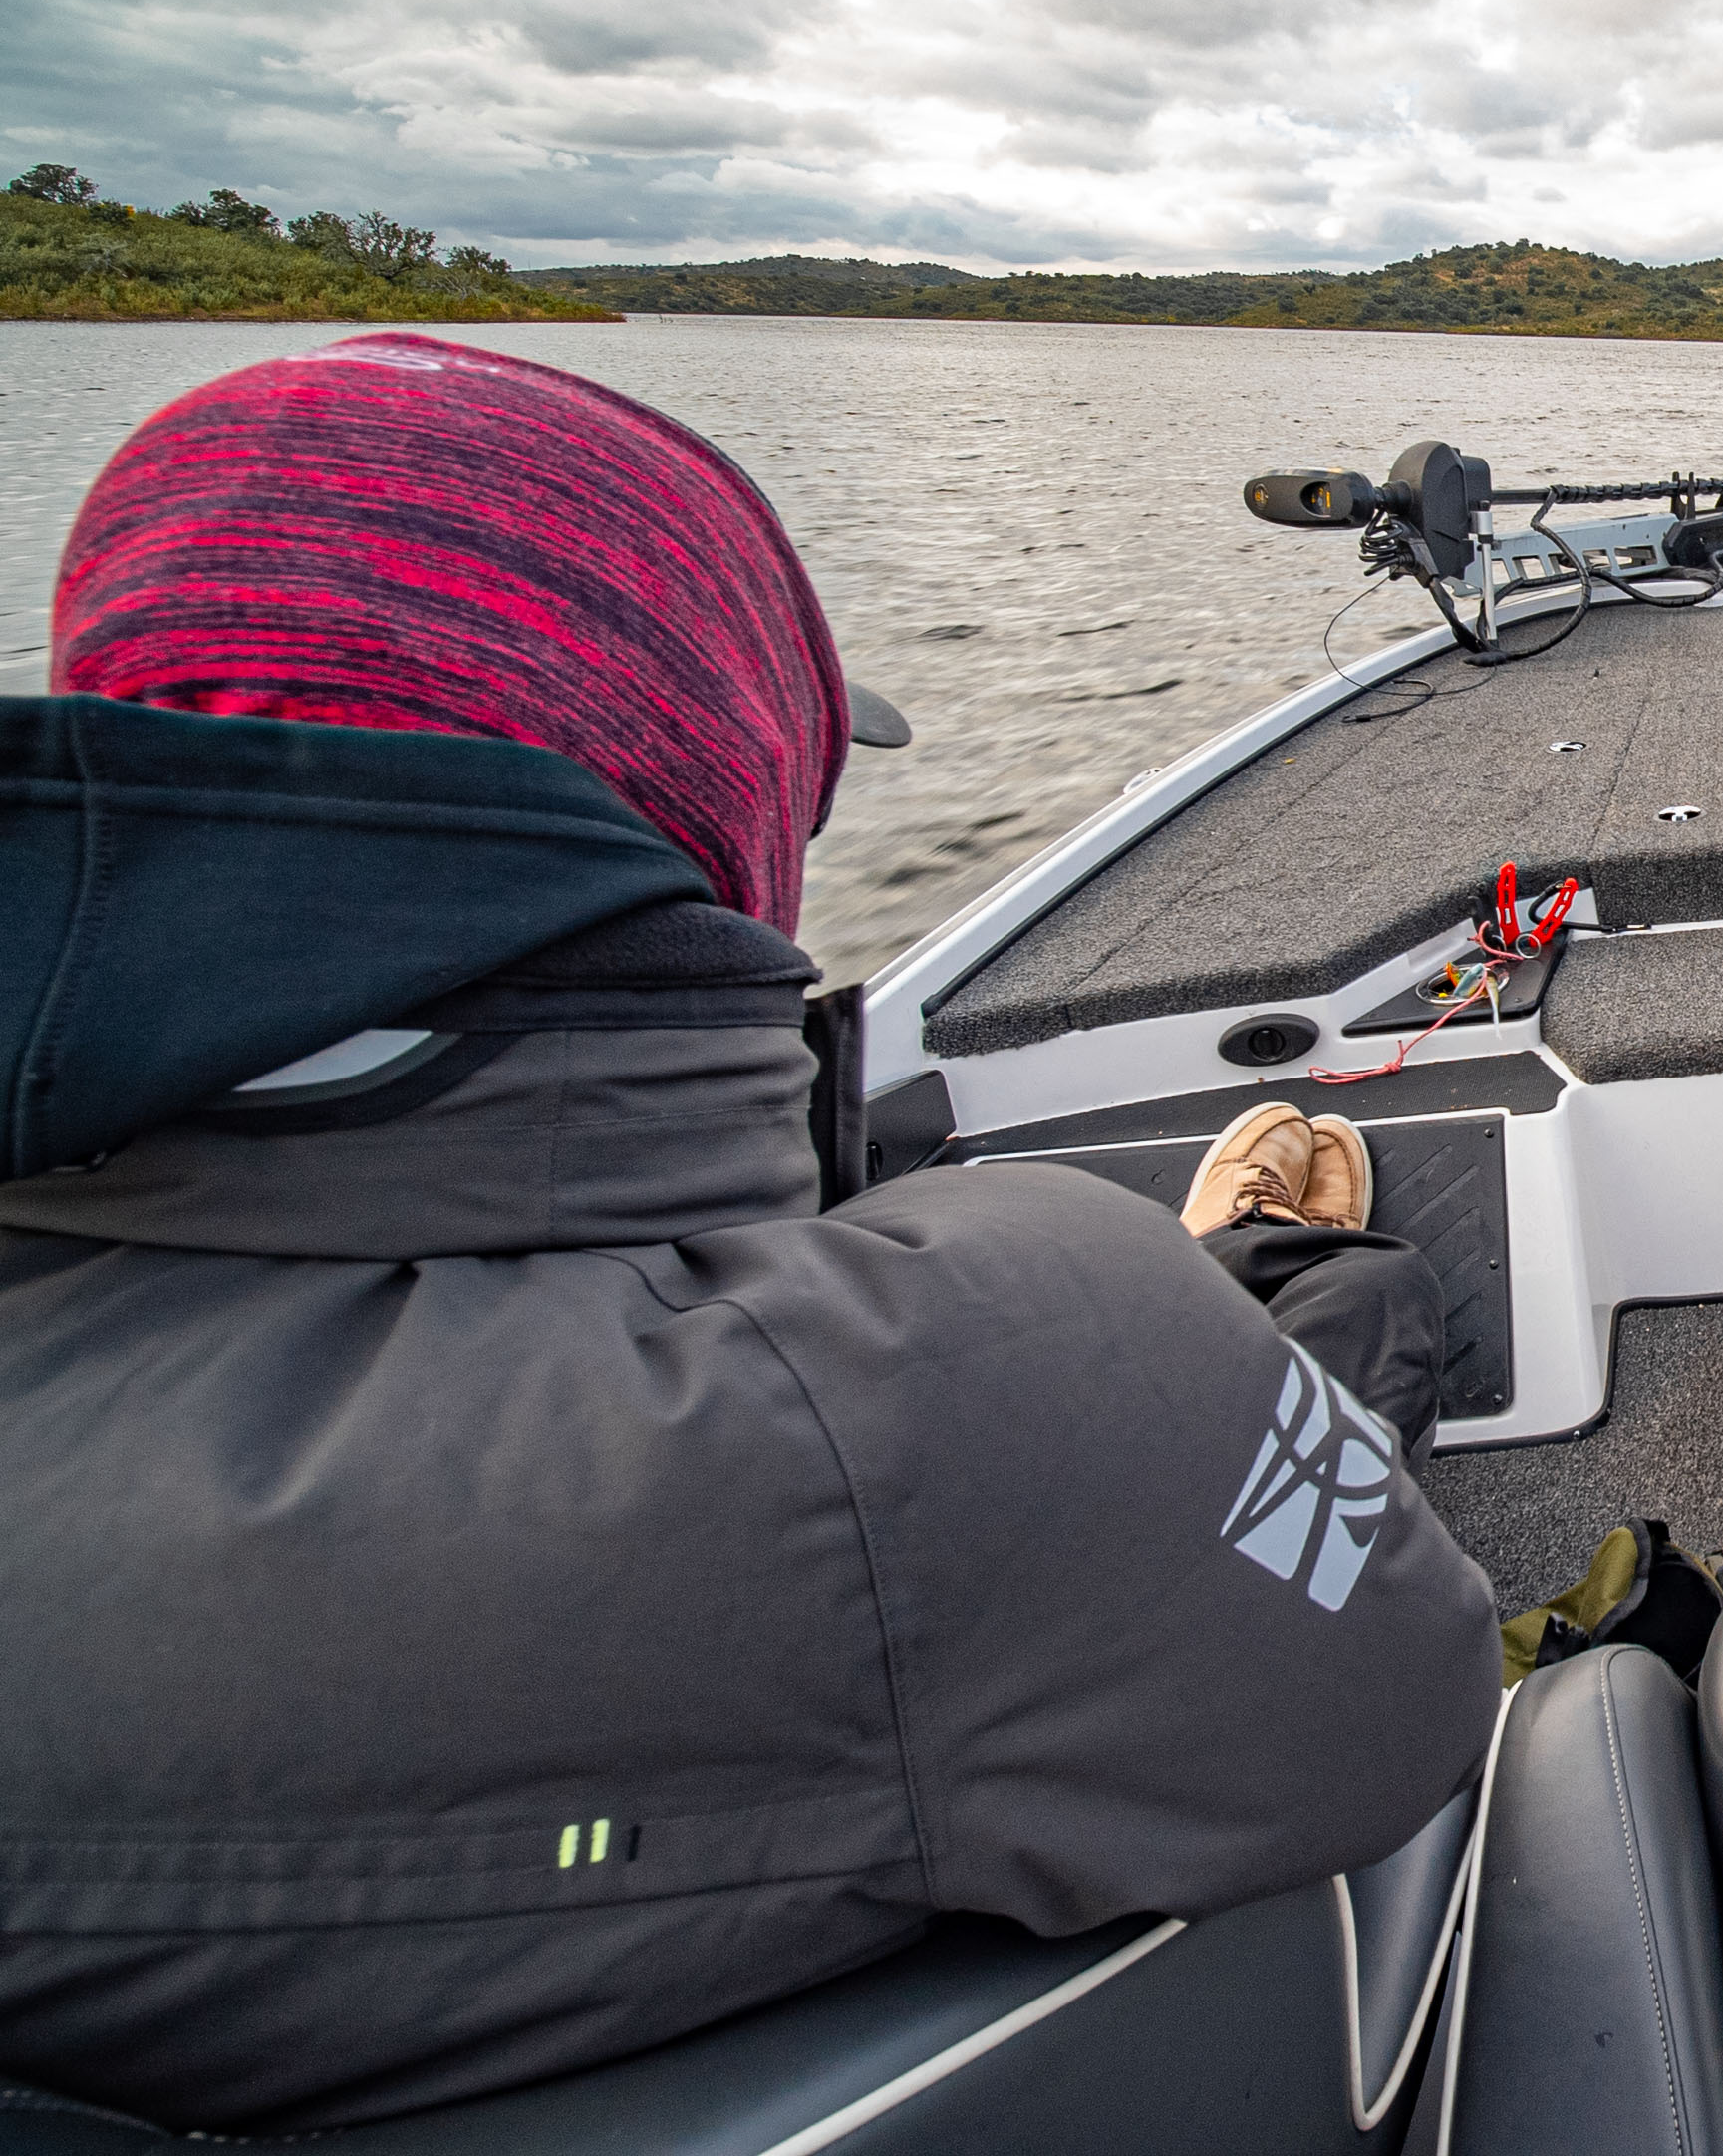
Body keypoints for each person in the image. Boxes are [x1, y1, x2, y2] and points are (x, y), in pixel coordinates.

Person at [0, 336, 1498, 2132]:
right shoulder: (998, 1360)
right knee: (1357, 1306)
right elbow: (1414, 1701)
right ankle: (1255, 1280)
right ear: (703, 794)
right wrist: (1185, 1329)